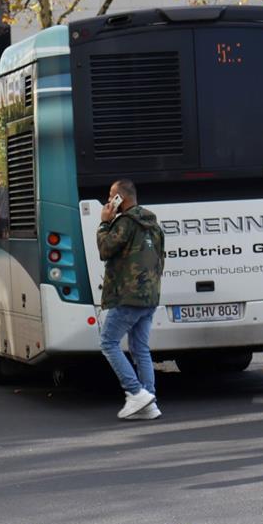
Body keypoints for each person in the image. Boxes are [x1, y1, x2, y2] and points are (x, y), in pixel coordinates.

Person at [96, 179, 165, 420]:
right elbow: (160, 258)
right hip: (149, 295)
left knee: (108, 342)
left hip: (128, 295)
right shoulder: (153, 224)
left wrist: (104, 222)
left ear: (120, 199)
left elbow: (105, 249)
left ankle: (136, 393)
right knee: (139, 348)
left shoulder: (124, 223)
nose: (108, 201)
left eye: (111, 196)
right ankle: (149, 402)